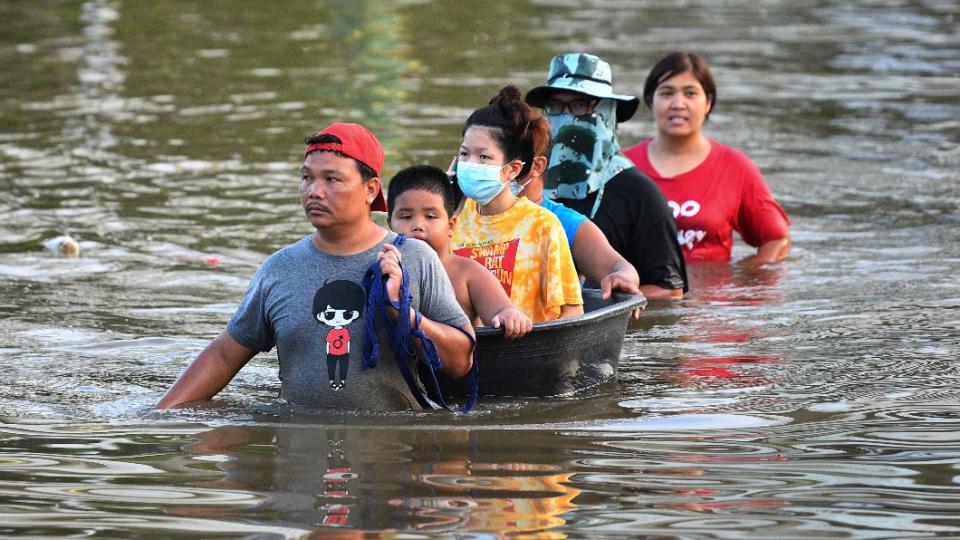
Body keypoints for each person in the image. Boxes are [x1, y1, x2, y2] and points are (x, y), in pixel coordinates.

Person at [156, 122, 474, 410]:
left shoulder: (414, 258)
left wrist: (400, 311)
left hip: (392, 459)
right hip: (300, 453)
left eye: (331, 179)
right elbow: (225, 354)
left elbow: (461, 361)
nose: (314, 191)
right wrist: (158, 416)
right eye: (307, 177)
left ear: (371, 189)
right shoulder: (279, 269)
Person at [524, 53, 688, 299]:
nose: (568, 117)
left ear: (607, 112)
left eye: (580, 105)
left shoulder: (638, 193)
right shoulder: (528, 180)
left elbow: (670, 290)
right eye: (556, 106)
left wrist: (601, 301)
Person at [623, 51, 791, 264]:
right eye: (666, 93)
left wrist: (743, 278)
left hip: (712, 297)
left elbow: (777, 240)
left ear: (708, 103)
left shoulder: (736, 167)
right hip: (642, 296)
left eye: (690, 93)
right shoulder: (622, 167)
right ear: (650, 102)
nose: (678, 104)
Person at [450, 84, 583, 323]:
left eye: (484, 157)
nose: (470, 164)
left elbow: (572, 312)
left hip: (527, 351)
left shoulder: (542, 226)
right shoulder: (451, 221)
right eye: (464, 154)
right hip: (465, 351)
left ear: (512, 169)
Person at [386, 164, 532, 338]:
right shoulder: (382, 269)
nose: (418, 226)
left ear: (451, 226)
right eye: (406, 217)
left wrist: (508, 314)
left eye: (430, 216)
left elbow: (500, 309)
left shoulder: (468, 272)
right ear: (389, 225)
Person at [514, 122, 642, 305]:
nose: (474, 164)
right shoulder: (462, 215)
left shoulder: (563, 223)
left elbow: (619, 267)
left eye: (486, 157)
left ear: (537, 166)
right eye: (465, 154)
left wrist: (622, 278)